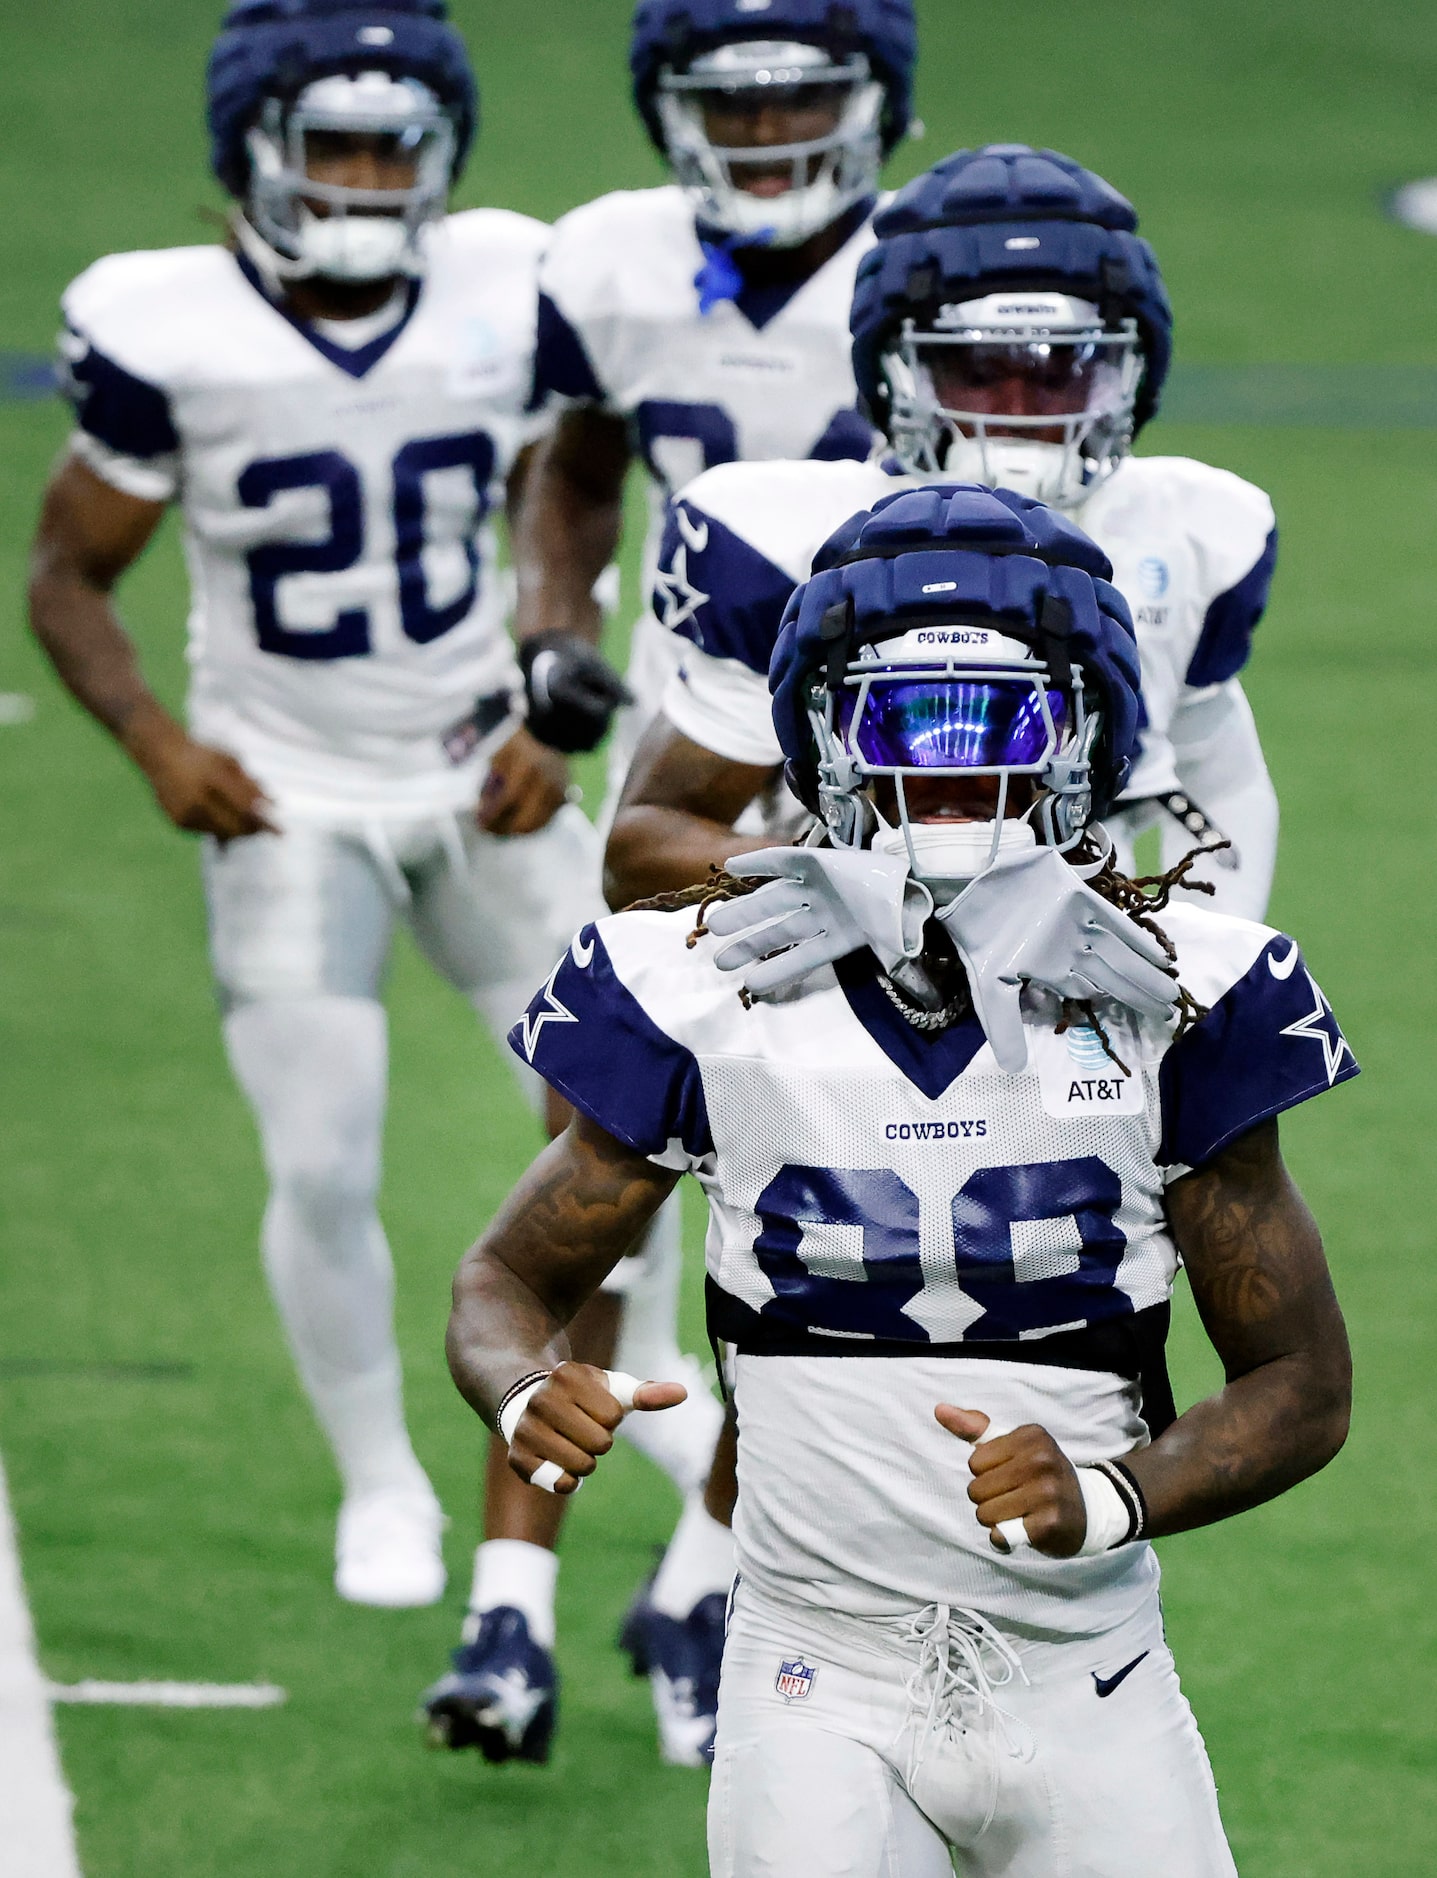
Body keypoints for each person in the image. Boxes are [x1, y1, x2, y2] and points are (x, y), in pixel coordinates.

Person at [447, 484, 1355, 1877]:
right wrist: (523, 1380)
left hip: (1088, 1675)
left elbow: (1301, 1382)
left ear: (1081, 735)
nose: (949, 771)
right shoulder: (706, 982)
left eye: (995, 724)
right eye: (902, 723)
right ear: (819, 736)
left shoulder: (1177, 989)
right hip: (814, 1676)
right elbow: (509, 1275)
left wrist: (1115, 1491)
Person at [27, 0, 621, 1610]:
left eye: (394, 142)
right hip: (288, 794)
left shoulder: (510, 282)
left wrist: (551, 689)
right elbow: (69, 572)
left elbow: (569, 491)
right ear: (254, 153)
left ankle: (589, 1467)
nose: (366, 174)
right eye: (334, 142)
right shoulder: (172, 324)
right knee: (322, 1159)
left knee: (617, 1123)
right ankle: (379, 1478)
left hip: (479, 766)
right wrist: (155, 738)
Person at [422, 0, 920, 1766]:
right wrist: (548, 632)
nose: (772, 130)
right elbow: (571, 462)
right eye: (735, 99)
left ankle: (706, 1581)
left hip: (906, 811)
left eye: (807, 96)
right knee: (605, 1164)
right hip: (670, 779)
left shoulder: (940, 277)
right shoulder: (615, 257)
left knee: (823, 1218)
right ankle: (510, 1610)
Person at [606, 144, 1280, 920]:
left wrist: (1211, 973)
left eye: (1060, 370)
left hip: (1082, 982)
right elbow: (640, 857)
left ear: (1130, 373)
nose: (1020, 412)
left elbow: (1215, 782)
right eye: (977, 370)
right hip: (830, 983)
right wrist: (865, 896)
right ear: (893, 371)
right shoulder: (778, 544)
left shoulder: (1197, 533)